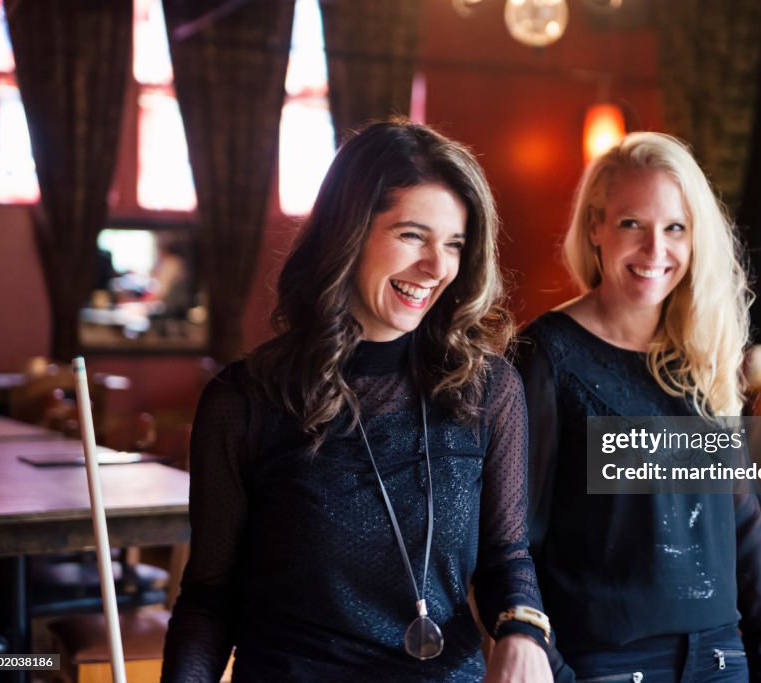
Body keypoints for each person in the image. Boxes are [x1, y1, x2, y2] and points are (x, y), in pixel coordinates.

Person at [162, 119, 553, 682]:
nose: (437, 267)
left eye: (454, 244)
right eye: (412, 235)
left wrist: (522, 629)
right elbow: (209, 598)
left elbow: (504, 557)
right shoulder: (244, 400)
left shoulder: (487, 388)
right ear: (347, 233)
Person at [516, 132, 761, 682]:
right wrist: (556, 667)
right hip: (605, 662)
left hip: (720, 659)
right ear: (595, 226)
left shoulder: (702, 351)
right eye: (631, 224)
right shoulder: (545, 356)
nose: (655, 251)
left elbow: (743, 521)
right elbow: (516, 536)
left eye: (674, 229)